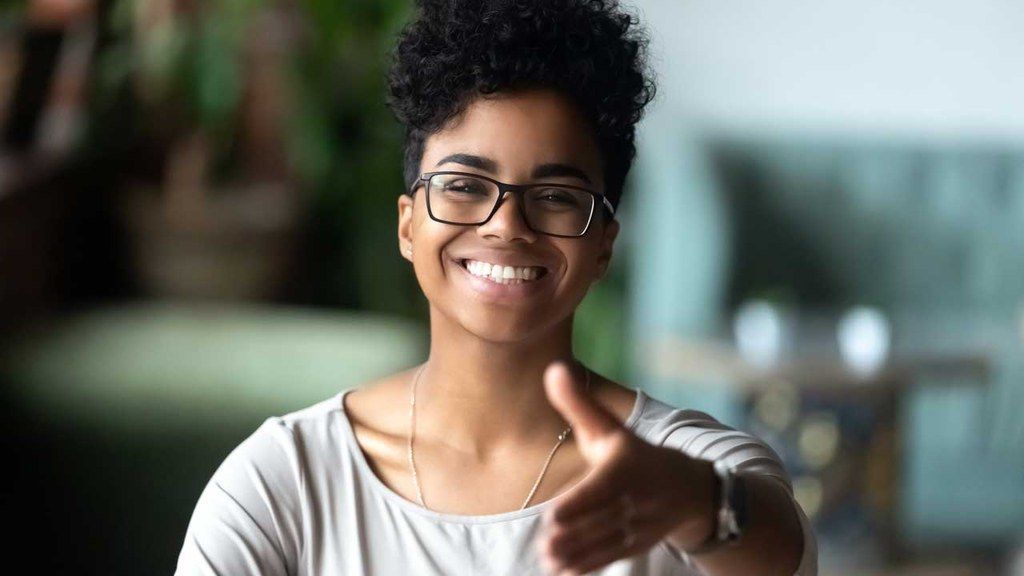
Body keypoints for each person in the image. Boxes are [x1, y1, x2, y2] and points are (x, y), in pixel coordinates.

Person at [174, 0, 817, 574]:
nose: (507, 225)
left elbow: (777, 551)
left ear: (603, 247)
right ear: (407, 225)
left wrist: (694, 503)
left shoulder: (677, 464)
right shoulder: (284, 481)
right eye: (463, 185)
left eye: (557, 196)